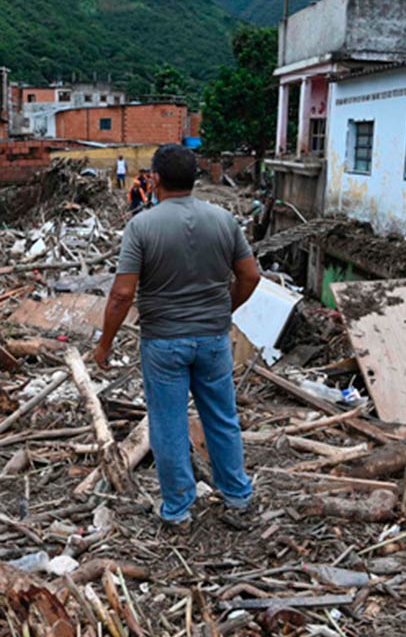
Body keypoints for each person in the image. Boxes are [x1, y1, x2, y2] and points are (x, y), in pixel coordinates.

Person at [93, 144, 261, 534]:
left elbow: (121, 294)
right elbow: (251, 276)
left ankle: (178, 510)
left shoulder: (142, 226)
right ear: (194, 179)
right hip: (213, 339)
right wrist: (224, 310)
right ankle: (238, 498)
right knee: (221, 417)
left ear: (154, 180)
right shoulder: (223, 220)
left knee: (168, 425)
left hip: (163, 341)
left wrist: (104, 344)